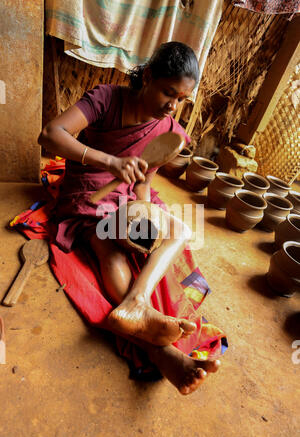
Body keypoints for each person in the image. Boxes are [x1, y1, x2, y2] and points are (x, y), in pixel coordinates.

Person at [38, 41, 222, 395]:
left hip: (126, 198)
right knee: (111, 248)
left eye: (181, 99)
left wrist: (141, 216)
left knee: (177, 230)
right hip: (89, 190)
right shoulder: (107, 98)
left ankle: (137, 302)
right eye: (169, 92)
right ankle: (163, 352)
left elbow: (144, 183)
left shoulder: (169, 133)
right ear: (149, 76)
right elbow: (50, 135)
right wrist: (110, 162)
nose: (173, 105)